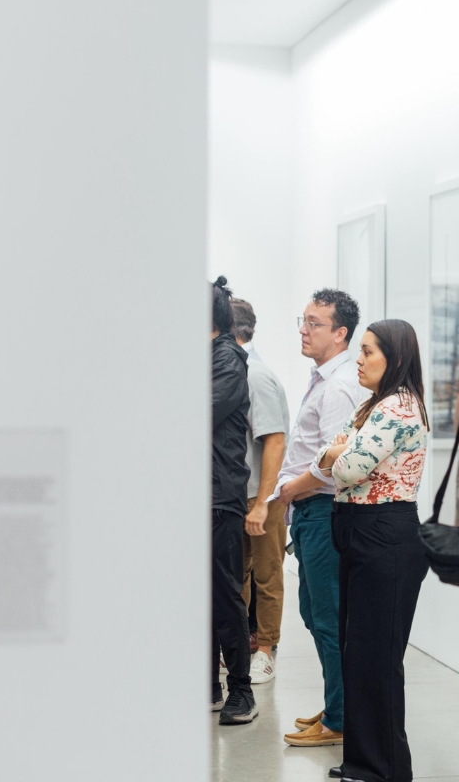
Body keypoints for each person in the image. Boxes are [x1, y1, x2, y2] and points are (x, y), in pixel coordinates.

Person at [313, 320, 430, 782]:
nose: (359, 361)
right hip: (361, 532)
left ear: (395, 359)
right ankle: (364, 763)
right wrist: (334, 455)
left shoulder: (398, 407)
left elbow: (345, 467)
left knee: (377, 660)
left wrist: (335, 456)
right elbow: (332, 455)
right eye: (359, 352)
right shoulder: (371, 405)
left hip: (385, 534)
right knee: (358, 655)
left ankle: (385, 770)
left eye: (368, 353)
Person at [270, 289, 369, 747]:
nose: (303, 330)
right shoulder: (326, 380)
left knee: (327, 616)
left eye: (314, 323)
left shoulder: (340, 386)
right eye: (303, 321)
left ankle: (342, 718)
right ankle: (337, 706)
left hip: (322, 509)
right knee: (315, 613)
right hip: (310, 511)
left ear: (340, 333)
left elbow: (334, 460)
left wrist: (290, 489)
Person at [229, 298, 290, 685]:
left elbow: (274, 442)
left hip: (260, 497)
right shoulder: (235, 370)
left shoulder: (254, 375)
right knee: (239, 576)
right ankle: (241, 646)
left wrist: (263, 503)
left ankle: (265, 651)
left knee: (267, 575)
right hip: (240, 496)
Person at [209, 276, 258, 725]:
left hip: (219, 496)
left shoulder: (227, 360)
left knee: (225, 594)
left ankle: (241, 691)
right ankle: (206, 683)